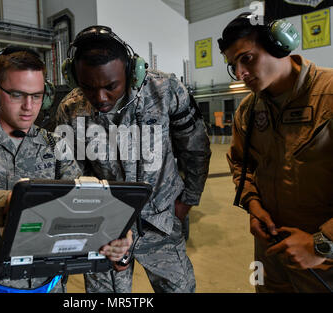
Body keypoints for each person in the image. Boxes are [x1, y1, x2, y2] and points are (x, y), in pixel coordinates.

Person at [0, 46, 132, 293]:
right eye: (17, 95)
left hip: (48, 285)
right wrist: (10, 204)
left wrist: (116, 236)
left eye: (37, 96)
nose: (28, 107)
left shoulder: (55, 145)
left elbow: (83, 202)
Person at [56, 26, 211, 293]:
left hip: (162, 224)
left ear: (131, 70)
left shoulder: (165, 90)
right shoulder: (71, 110)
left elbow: (195, 147)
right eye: (88, 88)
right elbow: (70, 175)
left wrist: (188, 199)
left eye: (110, 86)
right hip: (106, 232)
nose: (100, 97)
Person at [218, 13, 333, 292]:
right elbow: (240, 165)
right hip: (270, 251)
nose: (241, 73)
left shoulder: (328, 96)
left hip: (323, 258)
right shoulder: (248, 110)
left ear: (279, 44)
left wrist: (322, 243)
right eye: (233, 65)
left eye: (247, 58)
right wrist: (254, 206)